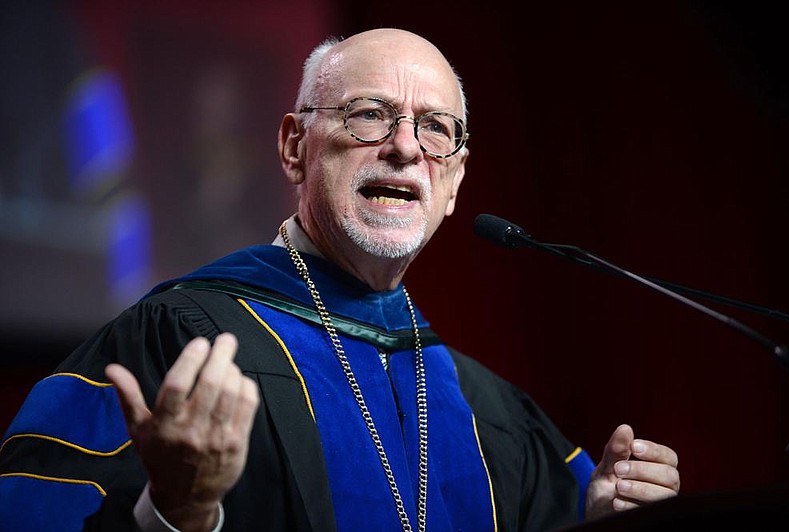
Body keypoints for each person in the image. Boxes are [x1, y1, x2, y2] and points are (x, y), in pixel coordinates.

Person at [0, 28, 680, 531]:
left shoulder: (493, 416)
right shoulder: (182, 338)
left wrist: (601, 525)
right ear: (295, 146)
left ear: (453, 184)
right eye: (370, 114)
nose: (407, 147)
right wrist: (174, 510)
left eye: (436, 129)